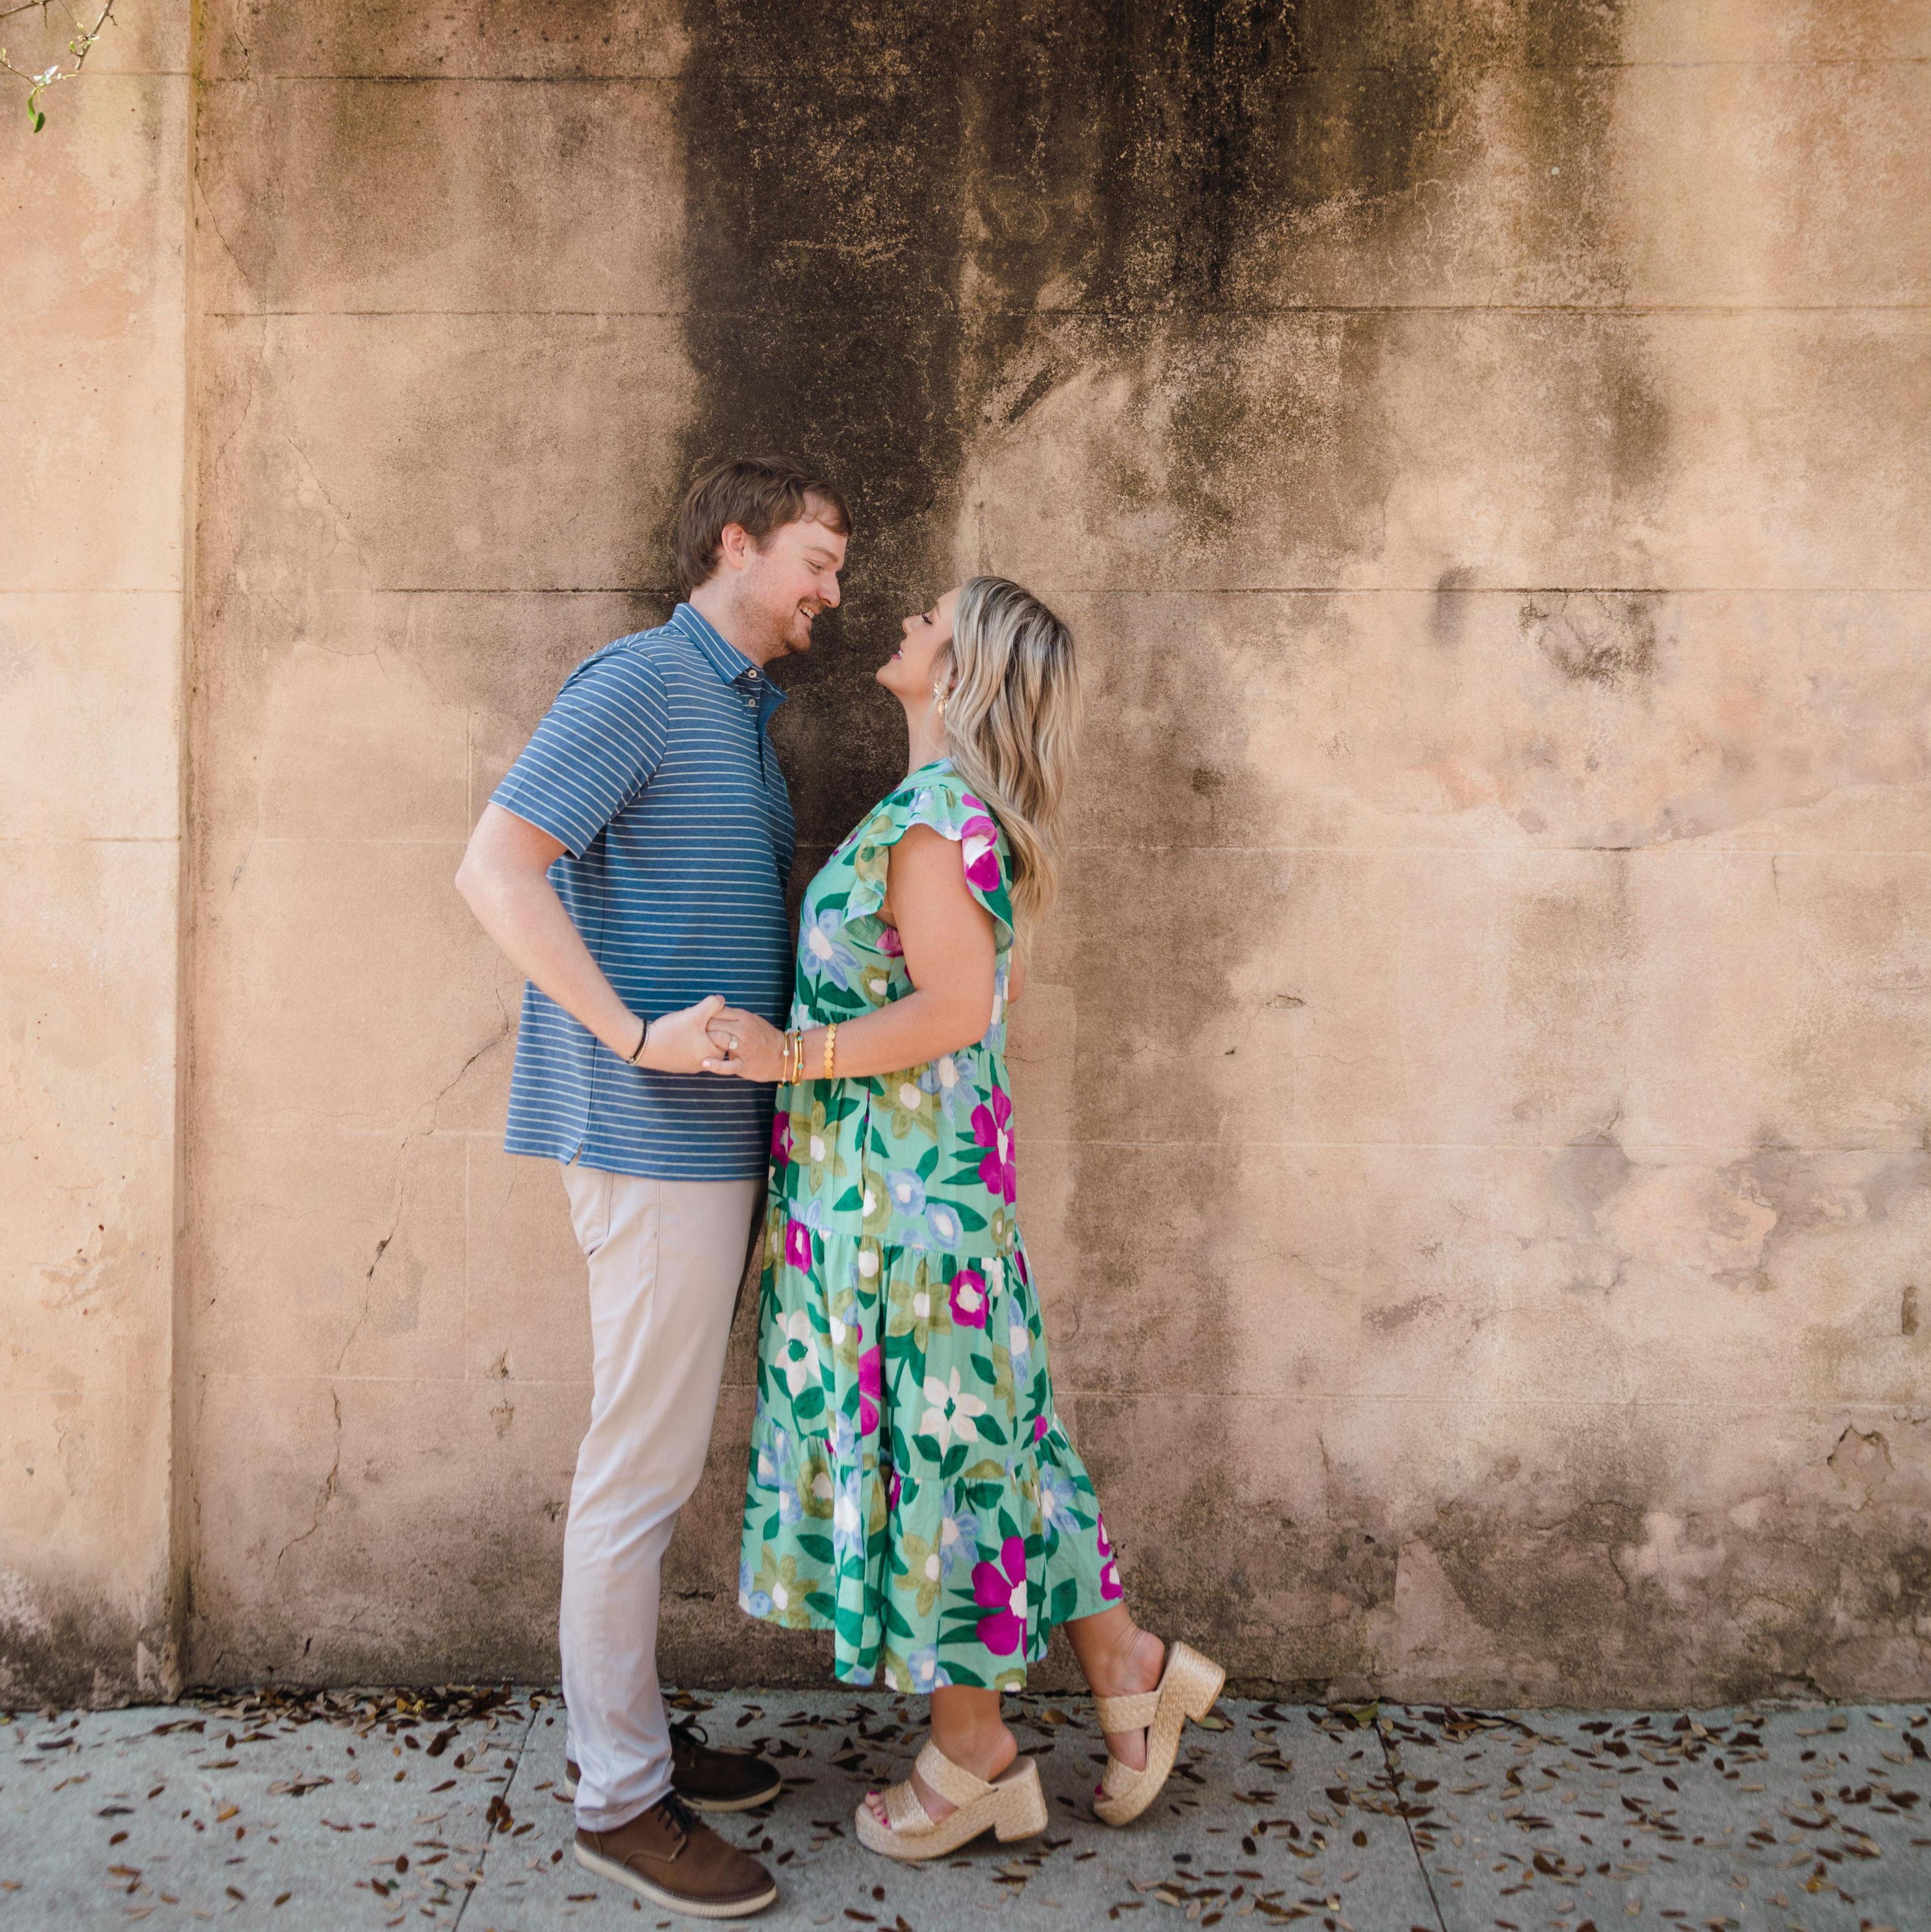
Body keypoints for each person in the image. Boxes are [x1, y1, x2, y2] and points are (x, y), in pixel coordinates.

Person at [700, 576, 1226, 1861]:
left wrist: (789, 1057)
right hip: (913, 1191)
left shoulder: (938, 818)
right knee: (1000, 1438)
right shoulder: (941, 808)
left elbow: (948, 1007)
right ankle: (1131, 1668)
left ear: (965, 666)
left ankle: (976, 1753)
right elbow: (973, 994)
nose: (907, 623)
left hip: (904, 1209)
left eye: (933, 618)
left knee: (943, 1458)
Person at [454, 455, 852, 1919]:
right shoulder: (637, 681)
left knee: (659, 1458)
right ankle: (619, 1800)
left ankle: (630, 1740)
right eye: (815, 560)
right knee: (640, 1466)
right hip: (646, 1136)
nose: (831, 593)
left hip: (712, 1144)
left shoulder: (742, 714)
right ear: (735, 544)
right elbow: (495, 870)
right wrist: (632, 1037)